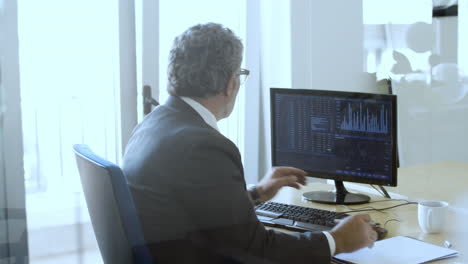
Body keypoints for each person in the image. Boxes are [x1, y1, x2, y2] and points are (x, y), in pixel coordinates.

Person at [122, 23, 377, 264]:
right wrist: (336, 240)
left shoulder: (153, 124)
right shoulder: (202, 145)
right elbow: (257, 251)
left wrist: (256, 195)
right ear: (230, 84)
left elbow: (200, 211)